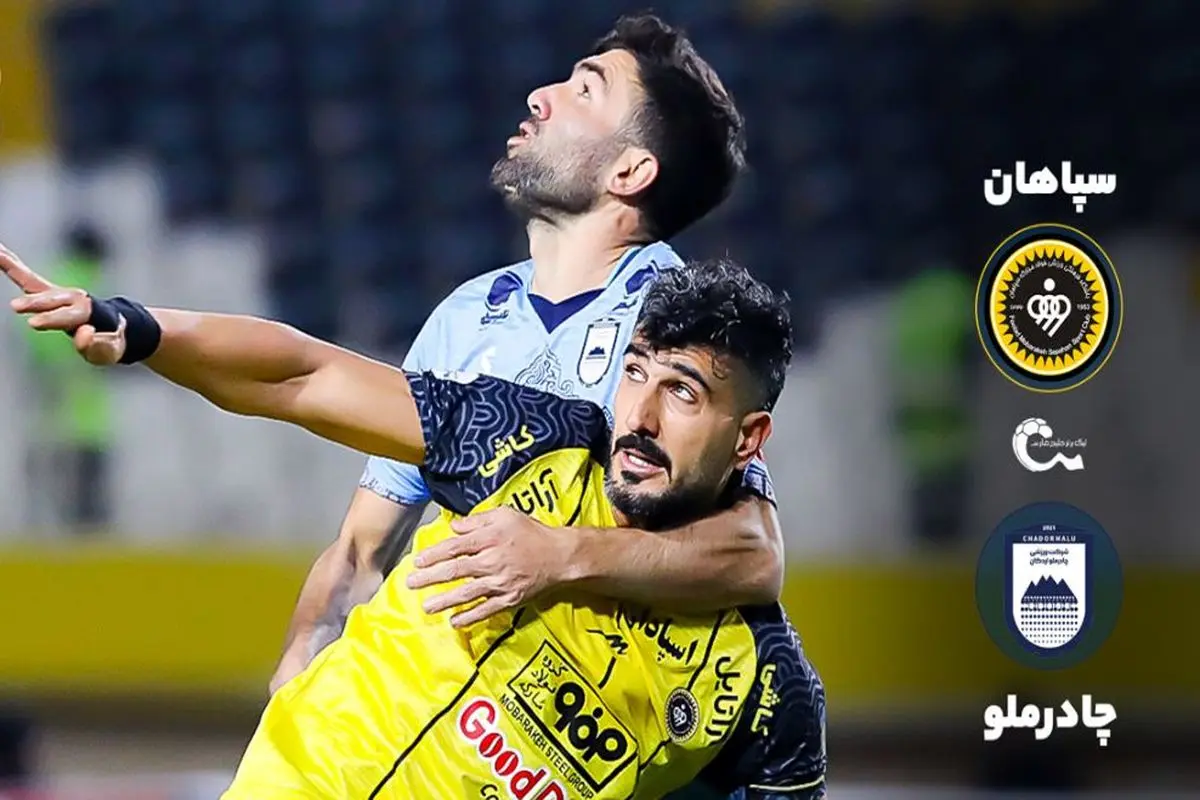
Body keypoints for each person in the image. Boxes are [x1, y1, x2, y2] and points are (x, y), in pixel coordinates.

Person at [3, 250, 826, 799]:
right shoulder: (529, 442)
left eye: (682, 392)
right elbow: (306, 376)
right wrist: (141, 330)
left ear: (748, 438)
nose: (639, 416)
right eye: (635, 372)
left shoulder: (766, 685)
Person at [270, 14, 785, 693]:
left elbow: (753, 555)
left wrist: (563, 555)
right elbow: (361, 551)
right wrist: (297, 679)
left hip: (586, 720)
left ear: (631, 171)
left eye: (585, 90)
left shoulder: (675, 325)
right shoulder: (466, 316)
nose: (541, 96)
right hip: (449, 714)